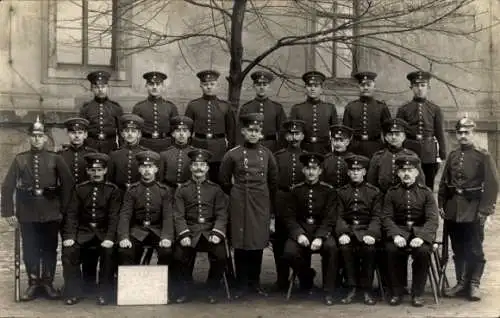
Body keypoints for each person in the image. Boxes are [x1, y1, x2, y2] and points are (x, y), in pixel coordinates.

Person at [1, 116, 73, 301]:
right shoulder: (20, 159)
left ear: (45, 138)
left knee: (49, 248)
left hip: (51, 211)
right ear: (29, 137)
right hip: (28, 212)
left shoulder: (55, 159)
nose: (36, 139)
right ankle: (33, 283)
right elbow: (7, 186)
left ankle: (47, 283)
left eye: (40, 135)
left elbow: (68, 185)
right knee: (31, 248)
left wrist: (62, 210)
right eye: (33, 135)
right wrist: (8, 212)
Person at [219, 112, 278, 299]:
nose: (253, 134)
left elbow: (274, 180)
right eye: (249, 130)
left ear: (261, 133)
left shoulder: (267, 154)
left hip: (260, 202)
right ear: (243, 131)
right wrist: (236, 194)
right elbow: (224, 179)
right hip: (240, 202)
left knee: (258, 243)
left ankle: (255, 283)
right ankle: (241, 284)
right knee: (241, 242)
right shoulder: (233, 154)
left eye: (257, 130)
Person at [439, 117, 499, 301]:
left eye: (467, 132)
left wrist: (485, 211)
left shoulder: (483, 155)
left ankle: (474, 284)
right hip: (453, 209)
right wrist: (441, 204)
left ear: (473, 134)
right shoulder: (453, 155)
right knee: (457, 248)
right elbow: (444, 181)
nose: (463, 136)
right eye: (460, 133)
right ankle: (461, 283)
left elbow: (492, 184)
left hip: (473, 209)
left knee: (474, 248)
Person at [61, 153, 121, 306]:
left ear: (105, 171)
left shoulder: (112, 190)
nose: (96, 173)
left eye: (100, 170)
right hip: (83, 232)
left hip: (103, 232)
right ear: (87, 171)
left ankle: (104, 292)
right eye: (92, 170)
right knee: (69, 251)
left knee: (109, 252)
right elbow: (72, 214)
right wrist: (70, 236)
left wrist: (109, 237)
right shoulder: (80, 189)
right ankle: (74, 291)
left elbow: (114, 217)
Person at [172, 149, 228, 304]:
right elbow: (178, 215)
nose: (198, 168)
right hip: (190, 230)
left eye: (202, 165)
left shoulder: (215, 189)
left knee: (221, 256)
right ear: (190, 167)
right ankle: (186, 290)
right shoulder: (181, 190)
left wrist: (217, 232)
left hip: (210, 230)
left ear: (207, 168)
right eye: (195, 164)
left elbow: (222, 214)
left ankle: (212, 289)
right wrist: (184, 234)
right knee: (179, 256)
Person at [382, 154, 438, 307]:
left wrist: (421, 236)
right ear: (398, 173)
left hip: (419, 233)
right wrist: (395, 235)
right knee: (391, 249)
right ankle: (397, 292)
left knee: (422, 251)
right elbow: (386, 217)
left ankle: (417, 293)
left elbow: (433, 219)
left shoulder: (426, 193)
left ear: (417, 172)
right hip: (399, 231)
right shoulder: (391, 193)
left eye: (410, 170)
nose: (406, 173)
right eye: (403, 170)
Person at [282, 152, 338, 306]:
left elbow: (330, 217)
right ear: (303, 170)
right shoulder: (295, 190)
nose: (311, 172)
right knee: (289, 253)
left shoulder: (329, 191)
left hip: (321, 230)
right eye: (308, 168)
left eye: (315, 168)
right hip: (302, 229)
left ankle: (329, 291)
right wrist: (299, 234)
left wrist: (320, 237)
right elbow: (289, 217)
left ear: (320, 171)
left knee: (331, 248)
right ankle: (307, 277)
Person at [58, 117, 99, 294]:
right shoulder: (60, 156)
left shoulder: (92, 155)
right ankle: (71, 284)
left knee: (89, 245)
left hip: (87, 205)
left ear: (86, 134)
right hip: (66, 206)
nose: (76, 136)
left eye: (80, 133)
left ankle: (89, 283)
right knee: (69, 242)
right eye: (73, 133)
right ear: (68, 134)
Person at [336, 154, 381, 305]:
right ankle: (352, 288)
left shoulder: (374, 192)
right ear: (348, 172)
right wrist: (343, 232)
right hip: (349, 231)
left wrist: (372, 233)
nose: (355, 173)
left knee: (369, 250)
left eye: (359, 170)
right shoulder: (341, 192)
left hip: (366, 230)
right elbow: (338, 216)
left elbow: (376, 216)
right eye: (352, 170)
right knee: (345, 248)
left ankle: (366, 289)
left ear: (364, 172)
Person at [117, 150, 174, 267]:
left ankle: (159, 282)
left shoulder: (164, 190)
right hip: (137, 230)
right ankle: (132, 283)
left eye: (150, 166)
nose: (147, 170)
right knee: (125, 251)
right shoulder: (132, 190)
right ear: (139, 169)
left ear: (156, 169)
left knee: (167, 252)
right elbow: (125, 215)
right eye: (143, 166)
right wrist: (124, 237)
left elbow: (167, 216)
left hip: (157, 230)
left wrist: (166, 237)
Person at [272, 119, 307, 291]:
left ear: (303, 136)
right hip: (281, 199)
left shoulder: (307, 157)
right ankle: (281, 279)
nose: (294, 137)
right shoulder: (278, 156)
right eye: (291, 134)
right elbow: (272, 182)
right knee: (280, 241)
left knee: (301, 239)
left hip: (300, 202)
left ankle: (304, 278)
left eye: (297, 134)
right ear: (286, 136)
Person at [397, 71, 447, 190]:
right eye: (416, 85)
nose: (419, 89)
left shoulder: (435, 109)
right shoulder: (404, 109)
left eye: (423, 85)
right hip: (410, 149)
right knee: (408, 181)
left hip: (429, 151)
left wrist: (442, 152)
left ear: (428, 88)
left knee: (428, 184)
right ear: (411, 88)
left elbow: (439, 132)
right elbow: (400, 133)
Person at [185, 70, 235, 183]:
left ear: (217, 85)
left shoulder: (225, 106)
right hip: (198, 146)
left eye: (212, 84)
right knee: (198, 178)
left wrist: (230, 151)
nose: (209, 87)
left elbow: (231, 131)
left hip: (219, 148)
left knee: (218, 179)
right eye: (206, 84)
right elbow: (187, 130)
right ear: (201, 86)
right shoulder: (193, 105)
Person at [367, 118, 425, 193]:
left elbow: (420, 182)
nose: (393, 137)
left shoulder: (412, 156)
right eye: (390, 134)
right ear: (386, 138)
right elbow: (371, 183)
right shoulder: (378, 157)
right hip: (382, 197)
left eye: (397, 134)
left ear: (404, 137)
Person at [343, 71, 391, 157]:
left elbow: (388, 131)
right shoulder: (350, 107)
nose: (365, 88)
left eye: (368, 85)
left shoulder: (381, 107)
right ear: (359, 87)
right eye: (362, 85)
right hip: (355, 149)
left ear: (374, 87)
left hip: (376, 148)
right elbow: (345, 132)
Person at [237, 70, 287, 152]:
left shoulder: (277, 107)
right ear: (254, 86)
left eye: (265, 84)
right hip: (250, 147)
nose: (261, 87)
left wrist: (280, 150)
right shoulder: (246, 108)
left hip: (272, 148)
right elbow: (240, 132)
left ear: (268, 86)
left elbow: (282, 132)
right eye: (258, 84)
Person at [290, 71, 338, 154]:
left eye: (316, 86)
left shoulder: (330, 108)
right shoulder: (297, 108)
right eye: (309, 86)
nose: (312, 89)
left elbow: (335, 132)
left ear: (321, 89)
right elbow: (291, 133)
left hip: (324, 151)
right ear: (305, 88)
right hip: (303, 150)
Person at [132, 71, 179, 153]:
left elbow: (175, 130)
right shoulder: (138, 107)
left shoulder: (171, 107)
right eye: (151, 84)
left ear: (163, 86)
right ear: (146, 86)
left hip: (166, 146)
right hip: (144, 145)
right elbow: (134, 130)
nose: (154, 87)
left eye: (158, 84)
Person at [79, 71, 124, 153]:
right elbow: (81, 131)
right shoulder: (86, 108)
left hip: (110, 147)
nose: (100, 90)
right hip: (91, 146)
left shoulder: (116, 108)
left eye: (103, 87)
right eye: (96, 87)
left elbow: (121, 132)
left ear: (107, 87)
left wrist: (122, 151)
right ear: (92, 89)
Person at [108, 114, 149, 191]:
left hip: (139, 192)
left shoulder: (145, 154)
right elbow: (110, 180)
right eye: (127, 131)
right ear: (122, 134)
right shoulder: (114, 154)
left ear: (139, 134)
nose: (130, 134)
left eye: (133, 131)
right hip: (119, 193)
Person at [158, 116, 196, 191]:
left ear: (189, 134)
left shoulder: (194, 154)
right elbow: (160, 179)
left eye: (185, 131)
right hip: (168, 190)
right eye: (178, 131)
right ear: (173, 134)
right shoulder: (164, 154)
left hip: (188, 191)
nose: (181, 134)